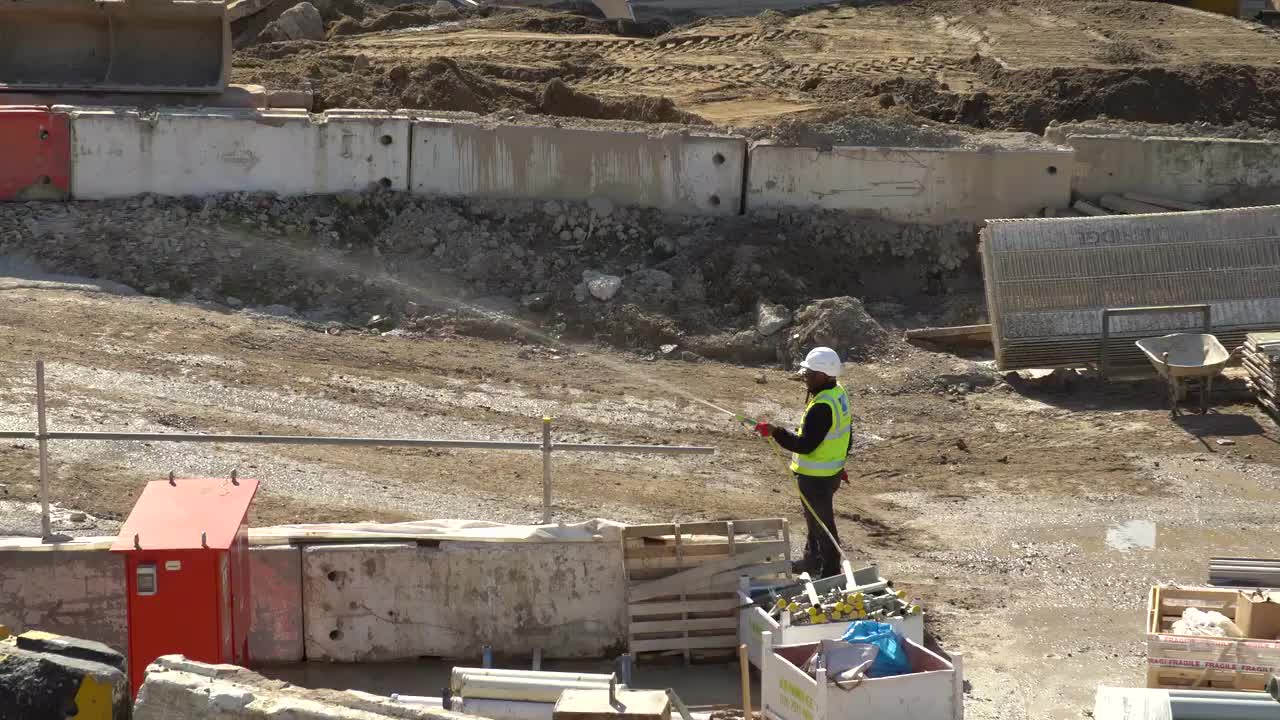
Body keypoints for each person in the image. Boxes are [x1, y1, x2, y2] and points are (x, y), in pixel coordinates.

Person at [754, 347, 852, 579]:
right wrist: (839, 463)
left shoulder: (821, 406)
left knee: (822, 525)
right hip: (830, 472)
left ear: (822, 375)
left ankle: (829, 573)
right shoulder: (838, 393)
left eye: (808, 374)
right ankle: (812, 560)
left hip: (816, 478)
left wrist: (776, 432)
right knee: (814, 520)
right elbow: (847, 432)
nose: (804, 377)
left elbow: (805, 445)